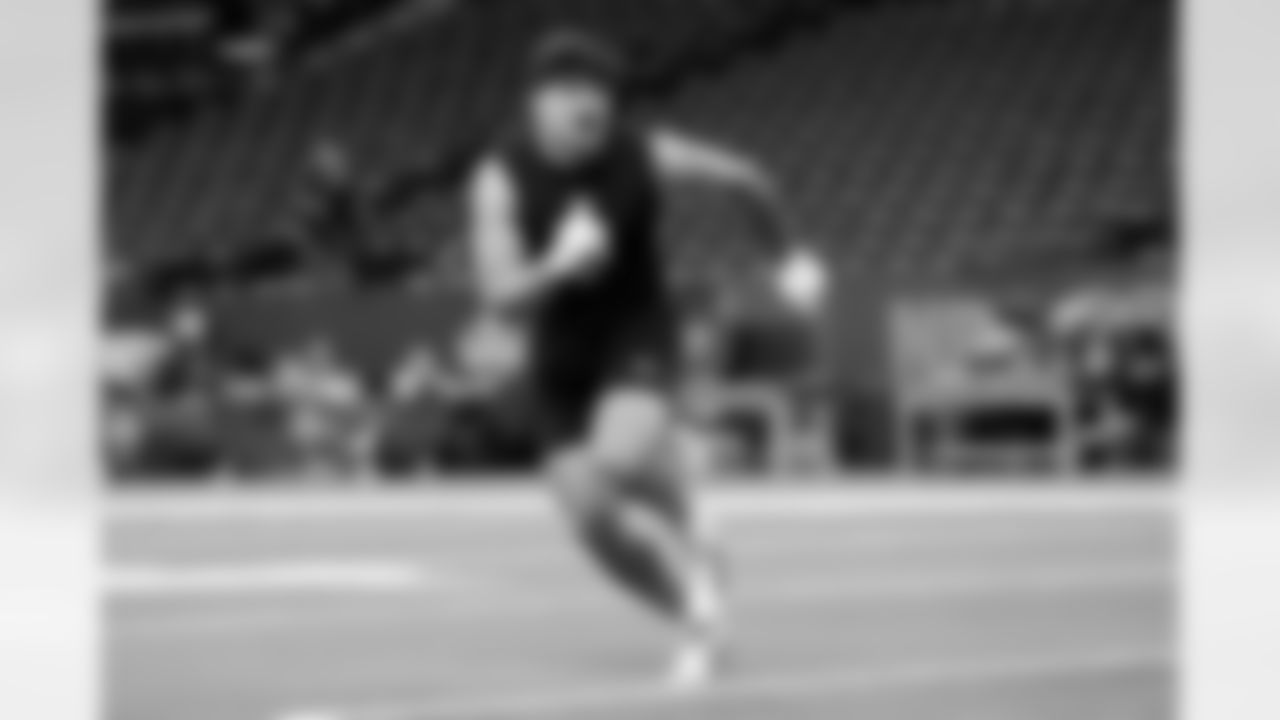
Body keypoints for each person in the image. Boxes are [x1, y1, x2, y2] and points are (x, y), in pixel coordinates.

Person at [464, 28, 826, 688]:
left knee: (619, 458)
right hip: (560, 351)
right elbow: (501, 299)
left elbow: (747, 179)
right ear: (536, 104)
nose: (590, 120)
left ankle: (688, 509)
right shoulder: (499, 179)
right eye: (574, 104)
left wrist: (787, 259)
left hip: (637, 331)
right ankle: (696, 611)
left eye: (601, 105)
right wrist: (557, 267)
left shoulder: (644, 154)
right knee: (590, 518)